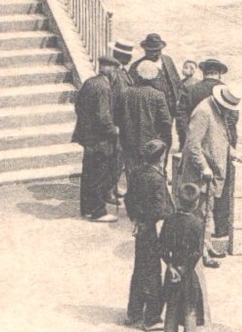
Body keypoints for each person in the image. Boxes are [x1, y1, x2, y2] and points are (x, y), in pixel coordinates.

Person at [182, 84, 240, 247]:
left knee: (207, 215)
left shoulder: (218, 110)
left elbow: (218, 138)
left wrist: (233, 152)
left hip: (212, 174)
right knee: (200, 215)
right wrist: (203, 167)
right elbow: (192, 144)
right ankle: (199, 252)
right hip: (201, 176)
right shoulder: (203, 112)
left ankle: (205, 247)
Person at [125, 139, 172, 330]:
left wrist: (135, 219)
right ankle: (151, 317)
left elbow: (128, 198)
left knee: (139, 271)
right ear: (161, 158)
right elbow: (160, 209)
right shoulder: (157, 178)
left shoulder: (136, 172)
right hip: (152, 228)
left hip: (141, 225)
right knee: (153, 272)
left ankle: (134, 312)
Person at [160, 180, 209, 332]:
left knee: (171, 306)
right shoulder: (197, 224)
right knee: (191, 307)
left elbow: (162, 247)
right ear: (196, 203)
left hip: (171, 270)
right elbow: (196, 253)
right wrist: (183, 269)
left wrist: (171, 266)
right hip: (187, 273)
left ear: (178, 200)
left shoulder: (169, 221)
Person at [73, 55, 122, 222]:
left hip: (87, 136)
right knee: (99, 174)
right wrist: (114, 130)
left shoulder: (89, 83)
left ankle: (86, 208)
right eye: (115, 70)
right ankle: (98, 211)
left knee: (88, 172)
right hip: (100, 139)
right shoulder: (104, 88)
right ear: (112, 71)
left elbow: (78, 106)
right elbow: (103, 116)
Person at [117, 59, 174, 181]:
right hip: (150, 144)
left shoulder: (125, 93)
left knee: (131, 174)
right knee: (148, 176)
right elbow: (166, 122)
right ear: (154, 77)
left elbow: (118, 117)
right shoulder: (158, 95)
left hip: (129, 142)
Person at [131, 33, 184, 145]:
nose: (155, 54)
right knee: (153, 142)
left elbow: (177, 81)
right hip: (151, 112)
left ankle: (164, 162)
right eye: (151, 51)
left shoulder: (168, 60)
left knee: (166, 138)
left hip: (170, 109)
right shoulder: (137, 66)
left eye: (158, 50)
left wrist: (178, 100)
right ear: (145, 50)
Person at [180, 58, 228, 125]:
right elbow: (232, 116)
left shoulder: (191, 89)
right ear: (218, 73)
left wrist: (183, 134)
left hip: (194, 132)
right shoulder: (225, 89)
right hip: (220, 133)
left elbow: (182, 114)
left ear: (204, 72)